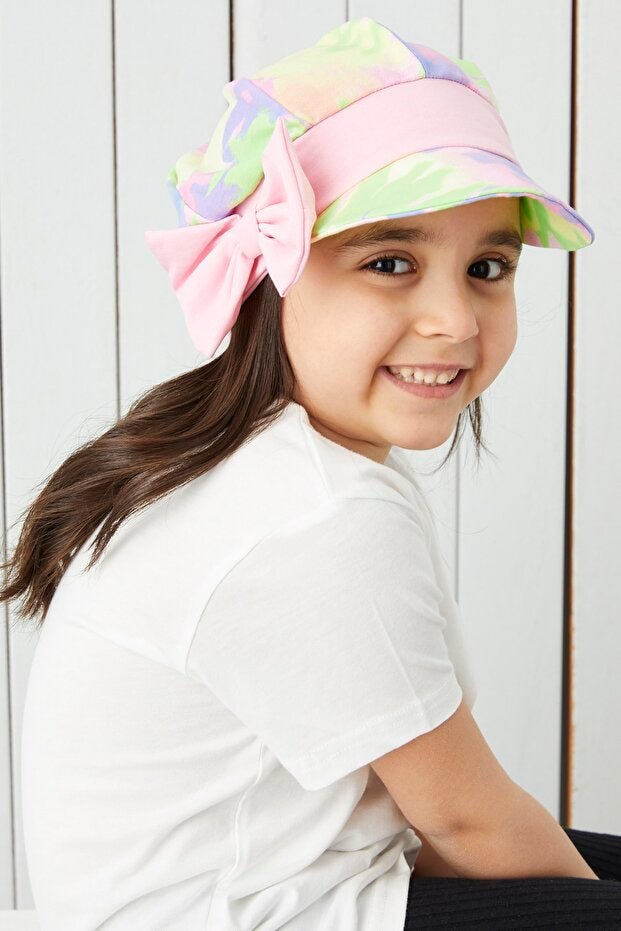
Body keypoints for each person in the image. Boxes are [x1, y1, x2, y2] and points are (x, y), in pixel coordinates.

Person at [3, 15, 619, 930]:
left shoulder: (269, 462)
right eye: (390, 262)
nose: (455, 319)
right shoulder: (312, 513)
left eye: (487, 266)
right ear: (271, 274)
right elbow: (461, 818)